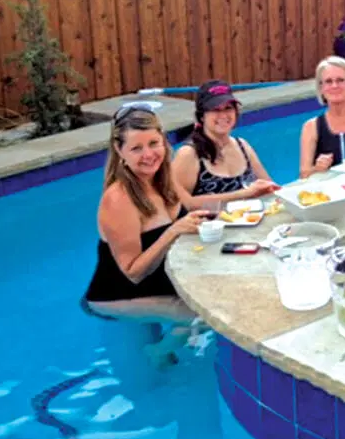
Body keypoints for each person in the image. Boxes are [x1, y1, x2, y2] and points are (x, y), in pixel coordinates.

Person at [83, 105, 211, 367]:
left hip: (160, 281)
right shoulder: (119, 199)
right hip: (118, 294)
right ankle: (157, 352)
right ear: (119, 150)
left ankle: (166, 348)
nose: (149, 155)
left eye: (153, 143)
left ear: (163, 140)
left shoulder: (163, 177)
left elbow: (192, 208)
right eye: (136, 148)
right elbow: (133, 273)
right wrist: (174, 231)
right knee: (202, 315)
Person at [172, 80, 279, 206]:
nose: (223, 115)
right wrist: (244, 194)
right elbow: (181, 205)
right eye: (215, 109)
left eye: (228, 108)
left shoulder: (242, 146)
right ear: (202, 116)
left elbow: (271, 189)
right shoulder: (189, 154)